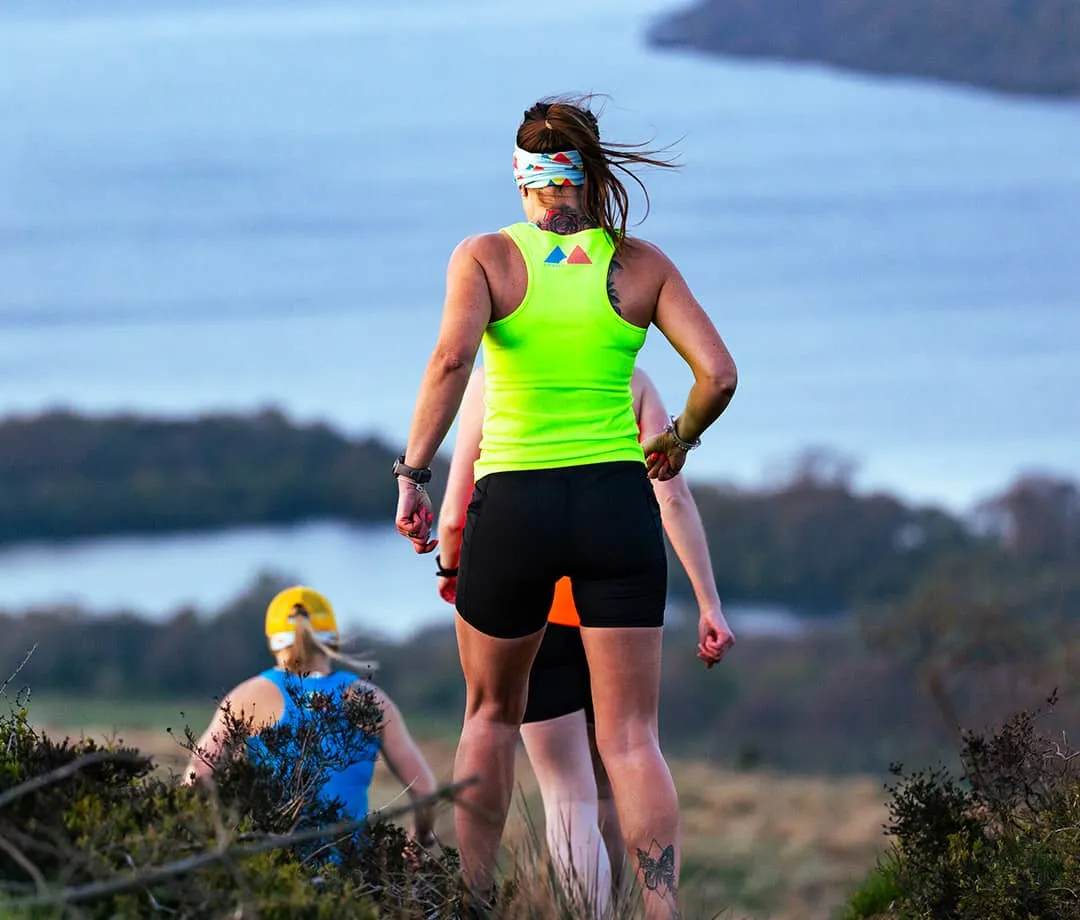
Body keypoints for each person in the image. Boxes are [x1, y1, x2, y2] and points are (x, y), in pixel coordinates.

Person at [392, 97, 737, 919]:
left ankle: (473, 904)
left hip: (515, 508)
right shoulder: (641, 265)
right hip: (618, 505)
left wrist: (413, 471)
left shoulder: (485, 258)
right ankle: (660, 913)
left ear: (523, 180)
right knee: (630, 741)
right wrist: (679, 439)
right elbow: (717, 375)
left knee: (489, 714)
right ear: (588, 175)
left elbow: (450, 360)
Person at [435, 364, 735, 915]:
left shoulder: (494, 375)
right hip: (618, 607)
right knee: (622, 765)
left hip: (533, 613)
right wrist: (709, 602)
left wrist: (452, 570)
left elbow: (456, 508)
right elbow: (672, 499)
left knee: (567, 794)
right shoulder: (630, 380)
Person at [184, 585, 438, 852]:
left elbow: (198, 776)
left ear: (273, 640)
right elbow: (425, 791)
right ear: (331, 639)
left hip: (271, 869)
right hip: (352, 876)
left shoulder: (247, 697)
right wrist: (418, 842)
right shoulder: (370, 699)